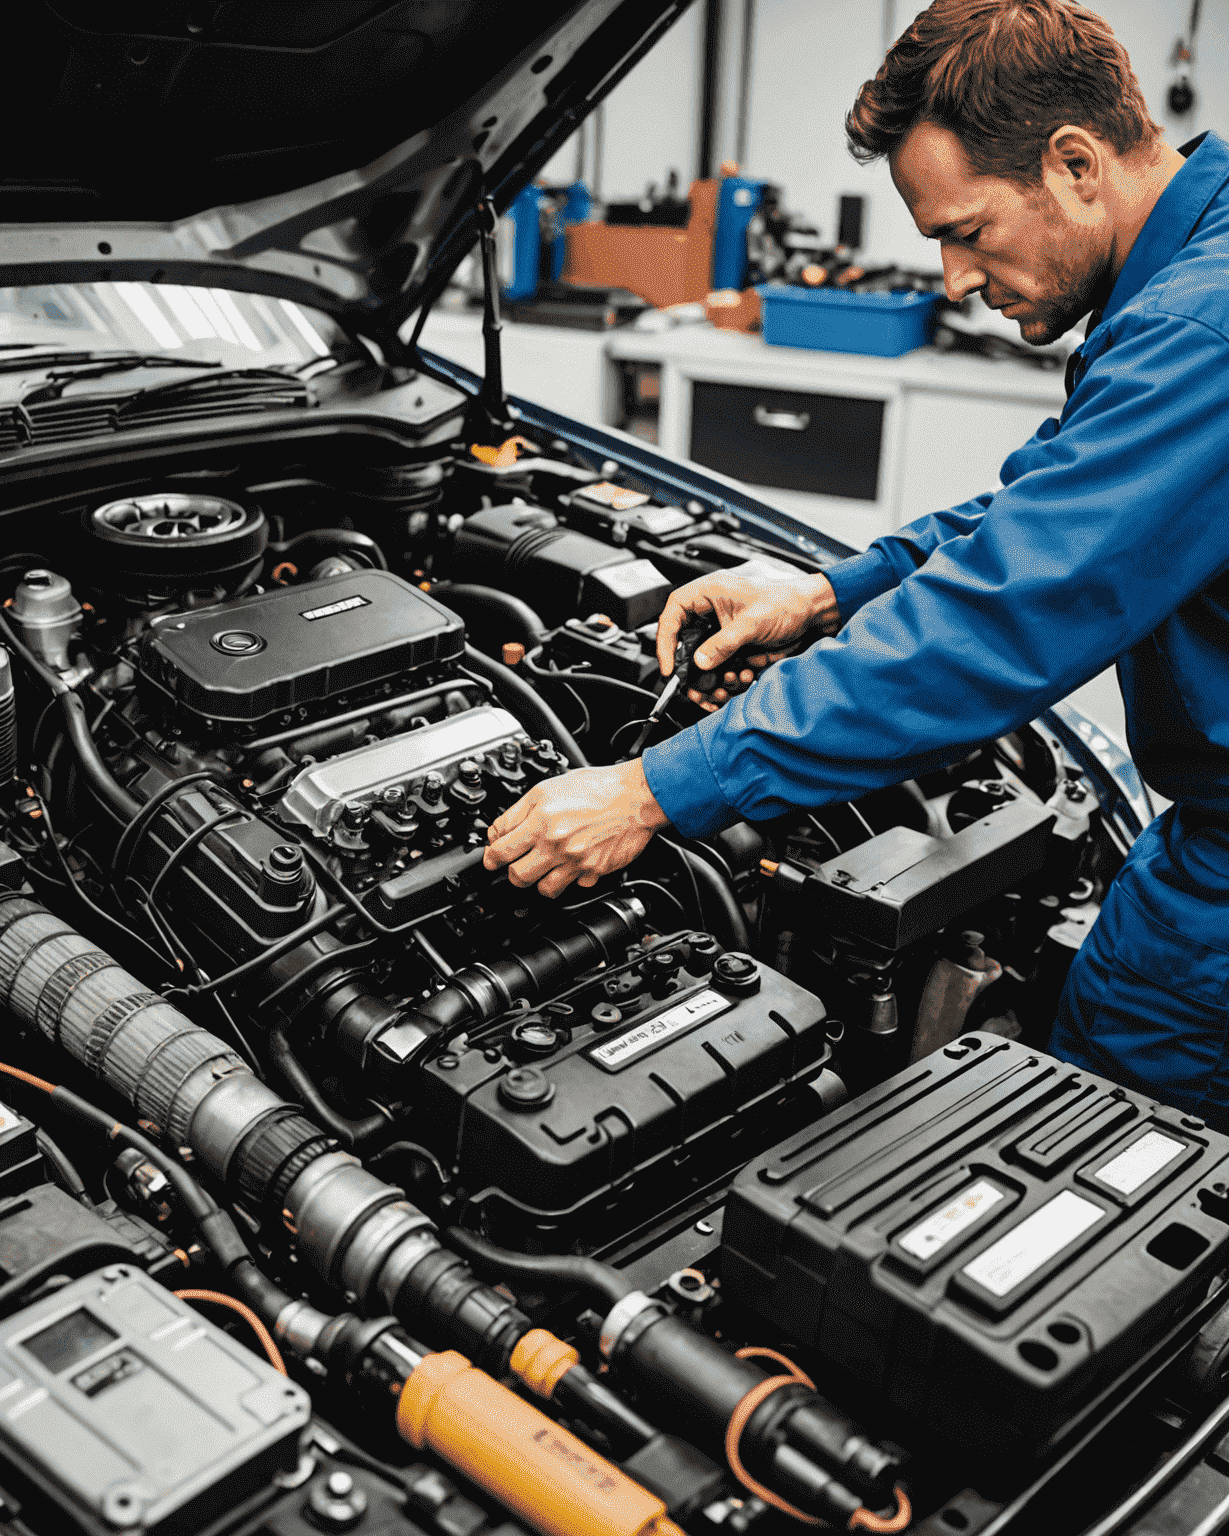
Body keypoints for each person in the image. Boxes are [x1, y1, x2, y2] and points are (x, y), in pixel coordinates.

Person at [482, 0, 1229, 1125]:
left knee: (1113, 1143)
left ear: (1075, 165)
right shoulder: (1197, 281)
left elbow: (1002, 616)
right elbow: (1061, 513)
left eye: (968, 231)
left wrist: (653, 788)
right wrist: (833, 589)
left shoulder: (1197, 332)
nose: (953, 281)